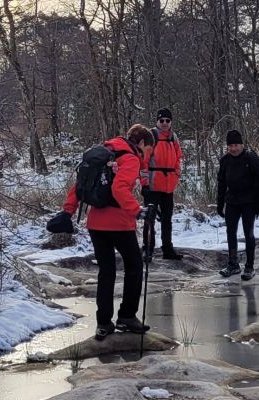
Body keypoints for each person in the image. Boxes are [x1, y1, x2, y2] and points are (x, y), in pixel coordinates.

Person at [58, 125, 158, 340]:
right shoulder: (129, 158)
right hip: (119, 223)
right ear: (141, 142)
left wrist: (68, 210)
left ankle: (103, 323)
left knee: (106, 273)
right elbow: (119, 189)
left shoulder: (102, 154)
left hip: (95, 224)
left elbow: (80, 186)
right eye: (148, 149)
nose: (146, 154)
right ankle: (127, 317)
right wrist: (138, 212)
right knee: (134, 267)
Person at [214, 129, 259, 281]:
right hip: (232, 201)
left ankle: (249, 266)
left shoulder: (250, 157)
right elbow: (221, 182)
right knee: (230, 232)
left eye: (236, 145)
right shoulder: (225, 160)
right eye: (231, 145)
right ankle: (233, 264)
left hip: (249, 201)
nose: (234, 148)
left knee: (248, 233)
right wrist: (220, 204)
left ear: (242, 145)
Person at [142, 108, 185, 260]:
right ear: (157, 121)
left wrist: (176, 174)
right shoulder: (151, 137)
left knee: (167, 219)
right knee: (149, 219)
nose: (165, 123)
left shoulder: (174, 137)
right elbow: (144, 163)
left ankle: (168, 249)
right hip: (153, 185)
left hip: (168, 186)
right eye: (162, 120)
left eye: (167, 120)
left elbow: (178, 158)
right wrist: (145, 184)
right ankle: (147, 249)